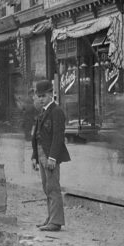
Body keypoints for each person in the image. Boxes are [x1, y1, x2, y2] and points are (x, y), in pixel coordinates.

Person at [31, 79, 70, 231]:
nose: (41, 98)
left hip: (49, 155)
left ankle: (56, 221)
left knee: (53, 186)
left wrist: (53, 157)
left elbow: (58, 137)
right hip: (41, 154)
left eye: (44, 95)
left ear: (51, 94)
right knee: (46, 187)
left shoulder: (57, 111)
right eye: (39, 96)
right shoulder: (42, 112)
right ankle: (51, 217)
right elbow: (36, 136)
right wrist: (34, 156)